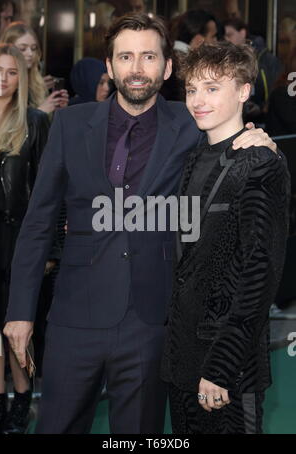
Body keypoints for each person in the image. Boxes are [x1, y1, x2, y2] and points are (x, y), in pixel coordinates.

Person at [3, 13, 277, 435]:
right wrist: (20, 311)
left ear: (166, 67)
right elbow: (38, 222)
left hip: (152, 321)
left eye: (148, 56)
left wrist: (260, 138)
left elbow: (231, 132)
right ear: (109, 67)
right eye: (125, 57)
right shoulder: (70, 125)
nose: (137, 68)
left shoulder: (191, 121)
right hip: (75, 317)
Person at [161, 41, 290, 434]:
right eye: (192, 89)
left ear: (244, 91)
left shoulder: (260, 163)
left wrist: (219, 368)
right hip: (183, 358)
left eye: (213, 88)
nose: (198, 100)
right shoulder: (195, 156)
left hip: (227, 368)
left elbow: (258, 276)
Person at [0, 43, 53, 434]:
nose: (2, 78)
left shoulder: (34, 122)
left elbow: (48, 191)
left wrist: (47, 248)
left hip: (17, 240)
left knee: (16, 325)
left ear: (22, 77)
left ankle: (21, 398)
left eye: (11, 71)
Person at [0, 21, 69, 114]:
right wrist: (41, 111)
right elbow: (6, 124)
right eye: (22, 49)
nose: (30, 54)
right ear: (8, 49)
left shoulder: (36, 84)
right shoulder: (2, 83)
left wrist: (58, 110)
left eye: (33, 48)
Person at [224, 18, 283, 123]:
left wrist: (261, 108)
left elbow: (276, 89)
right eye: (224, 36)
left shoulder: (266, 59)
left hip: (264, 120)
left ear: (242, 33)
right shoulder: (225, 59)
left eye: (229, 35)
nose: (226, 39)